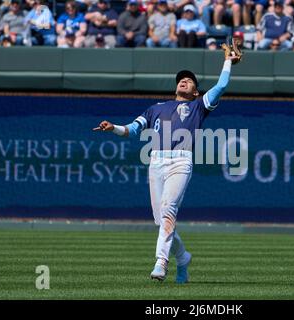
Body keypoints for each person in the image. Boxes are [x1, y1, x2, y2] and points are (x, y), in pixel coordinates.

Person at [93, 50, 240, 284]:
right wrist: (113, 128)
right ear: (176, 88)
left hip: (181, 161)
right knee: (161, 220)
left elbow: (221, 85)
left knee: (169, 208)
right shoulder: (156, 108)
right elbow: (132, 129)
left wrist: (227, 62)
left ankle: (161, 261)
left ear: (195, 91)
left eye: (190, 80)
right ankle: (183, 257)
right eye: (181, 79)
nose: (184, 80)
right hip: (157, 161)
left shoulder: (199, 106)